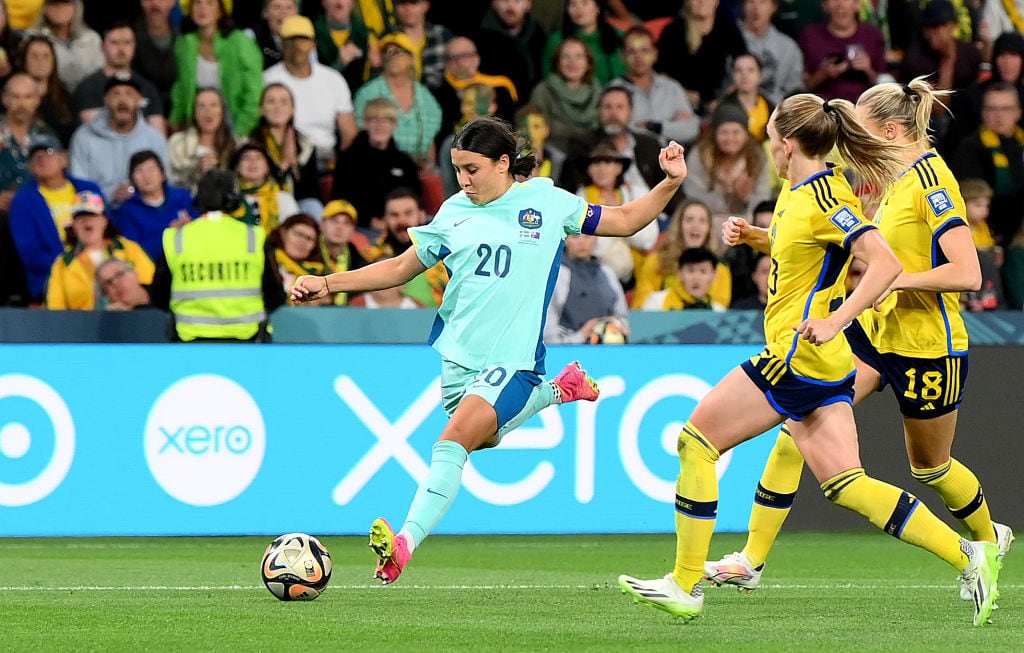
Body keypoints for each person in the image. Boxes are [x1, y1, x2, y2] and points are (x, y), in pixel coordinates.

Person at [617, 92, 1002, 627]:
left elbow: (884, 263)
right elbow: (811, 249)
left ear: (788, 142)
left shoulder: (824, 196)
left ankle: (685, 583)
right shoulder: (810, 190)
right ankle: (968, 554)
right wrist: (759, 239)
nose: (767, 144)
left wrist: (836, 318)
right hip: (827, 361)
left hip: (799, 355)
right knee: (847, 484)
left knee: (696, 442)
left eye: (771, 135)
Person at [291, 115, 688, 584]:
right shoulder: (454, 211)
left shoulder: (544, 200)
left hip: (513, 361)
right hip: (460, 357)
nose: (463, 180)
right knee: (487, 437)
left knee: (451, 443)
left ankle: (403, 544)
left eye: (472, 169)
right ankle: (560, 390)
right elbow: (401, 268)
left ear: (503, 163)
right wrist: (328, 283)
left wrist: (669, 182)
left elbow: (623, 220)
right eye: (457, 169)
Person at [705, 77, 1016, 599]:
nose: (852, 145)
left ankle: (988, 543)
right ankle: (751, 560)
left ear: (892, 131)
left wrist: (894, 280)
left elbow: (968, 274)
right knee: (796, 422)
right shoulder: (889, 178)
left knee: (930, 467)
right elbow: (852, 250)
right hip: (873, 334)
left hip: (928, 346)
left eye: (862, 134)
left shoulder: (934, 184)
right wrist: (765, 238)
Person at [149, 168, 287, 342]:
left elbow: (158, 295)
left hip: (189, 342)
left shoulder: (176, 238)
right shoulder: (253, 236)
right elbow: (276, 294)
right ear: (235, 197)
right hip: (248, 340)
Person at [8, 135, 102, 304]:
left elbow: (108, 228)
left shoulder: (88, 189)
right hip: (51, 276)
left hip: (100, 264)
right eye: (35, 156)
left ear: (63, 159)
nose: (41, 158)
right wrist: (72, 265)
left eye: (48, 152)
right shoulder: (23, 202)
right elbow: (31, 255)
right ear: (29, 166)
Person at [263, 14, 358, 171]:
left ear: (313, 44)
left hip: (327, 160)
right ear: (281, 44)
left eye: (303, 40)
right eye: (291, 40)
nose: (297, 45)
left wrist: (343, 167)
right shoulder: (268, 80)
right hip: (284, 160)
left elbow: (349, 133)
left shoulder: (333, 79)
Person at [68, 72, 170, 204]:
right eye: (115, 94)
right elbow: (78, 186)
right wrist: (111, 195)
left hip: (144, 213)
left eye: (129, 94)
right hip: (99, 214)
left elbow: (165, 184)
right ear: (105, 100)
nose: (123, 101)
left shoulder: (154, 139)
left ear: (139, 100)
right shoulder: (83, 137)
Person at [46, 190, 154, 310]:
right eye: (80, 217)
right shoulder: (62, 264)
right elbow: (55, 308)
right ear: (73, 226)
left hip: (137, 317)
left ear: (104, 221)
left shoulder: (128, 248)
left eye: (92, 215)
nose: (86, 220)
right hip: (84, 326)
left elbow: (150, 284)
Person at [170, 0, 263, 136]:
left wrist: (240, 132)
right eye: (198, 3)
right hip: (198, 122)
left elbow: (254, 91)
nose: (203, 8)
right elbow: (181, 87)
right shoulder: (184, 43)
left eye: (210, 3)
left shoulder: (240, 41)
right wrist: (174, 121)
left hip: (236, 121)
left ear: (220, 11)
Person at [352, 30, 442, 170]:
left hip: (419, 170)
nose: (393, 56)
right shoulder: (367, 93)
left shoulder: (426, 98)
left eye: (399, 51)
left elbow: (430, 142)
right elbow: (360, 136)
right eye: (387, 52)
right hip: (376, 166)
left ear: (412, 57)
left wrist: (428, 168)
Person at [332, 96, 421, 235]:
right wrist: (369, 220)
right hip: (364, 226)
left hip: (402, 224)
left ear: (394, 124)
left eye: (387, 120)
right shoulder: (349, 158)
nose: (380, 125)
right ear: (365, 123)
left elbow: (416, 196)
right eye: (374, 119)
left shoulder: (404, 161)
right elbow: (341, 199)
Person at [951, 82, 1024, 247]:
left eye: (1005, 109)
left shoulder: (1020, 143)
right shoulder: (970, 147)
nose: (998, 115)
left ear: (1018, 112)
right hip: (988, 232)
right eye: (991, 109)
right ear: (983, 112)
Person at [607, 25, 699, 147]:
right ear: (623, 56)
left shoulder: (672, 88)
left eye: (644, 51)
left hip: (671, 160)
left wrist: (654, 127)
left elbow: (692, 130)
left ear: (655, 54)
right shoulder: (613, 91)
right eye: (632, 52)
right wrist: (673, 126)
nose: (638, 57)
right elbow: (613, 130)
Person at [632, 198, 732, 309]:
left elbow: (719, 312)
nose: (696, 226)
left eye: (702, 221)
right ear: (679, 226)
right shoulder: (656, 262)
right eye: (689, 220)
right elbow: (641, 307)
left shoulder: (720, 269)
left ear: (709, 229)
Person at [654, 0, 748, 115]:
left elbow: (745, 63)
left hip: (719, 103)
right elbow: (659, 74)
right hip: (679, 104)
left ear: (717, 2)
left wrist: (724, 100)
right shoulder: (673, 31)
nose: (702, 2)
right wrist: (682, 94)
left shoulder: (727, 26)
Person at [72, 21, 166, 134]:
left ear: (135, 46)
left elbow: (158, 135)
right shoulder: (88, 88)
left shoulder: (148, 88)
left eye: (127, 43)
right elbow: (95, 133)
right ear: (102, 47)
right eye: (114, 43)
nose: (121, 49)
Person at [681, 102, 772, 218]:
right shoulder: (699, 155)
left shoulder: (757, 157)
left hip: (746, 220)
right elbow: (693, 197)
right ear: (714, 134)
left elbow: (762, 199)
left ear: (746, 135)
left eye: (736, 132)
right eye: (724, 132)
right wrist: (725, 194)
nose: (730, 139)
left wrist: (744, 199)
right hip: (708, 220)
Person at [249, 82, 323, 219]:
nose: (278, 107)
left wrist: (295, 166)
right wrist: (283, 165)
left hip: (297, 202)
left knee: (314, 207)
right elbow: (254, 184)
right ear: (261, 109)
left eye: (284, 102)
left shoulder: (305, 144)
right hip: (261, 201)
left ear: (293, 109)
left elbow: (311, 191)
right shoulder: (251, 144)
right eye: (271, 102)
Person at [544, 232, 629, 344]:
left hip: (606, 349)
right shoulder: (556, 275)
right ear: (566, 240)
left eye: (587, 236)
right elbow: (548, 328)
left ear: (596, 239)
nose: (582, 242)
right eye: (575, 236)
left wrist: (613, 328)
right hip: (567, 352)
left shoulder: (607, 273)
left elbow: (621, 316)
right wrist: (581, 336)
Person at [113, 149, 195, 262]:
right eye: (139, 171)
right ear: (132, 180)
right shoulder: (128, 210)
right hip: (153, 269)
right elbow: (133, 252)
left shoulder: (183, 197)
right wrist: (169, 233)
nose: (146, 176)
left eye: (151, 169)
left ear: (162, 175)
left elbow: (201, 225)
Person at [799, 0, 886, 103]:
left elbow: (885, 86)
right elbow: (802, 89)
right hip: (823, 108)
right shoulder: (810, 36)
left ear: (857, 5)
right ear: (825, 5)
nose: (840, 5)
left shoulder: (873, 34)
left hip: (863, 107)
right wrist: (822, 74)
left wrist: (868, 70)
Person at [527, 36, 601, 154]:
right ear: (557, 62)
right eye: (566, 57)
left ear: (588, 63)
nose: (572, 63)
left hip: (592, 156)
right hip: (553, 156)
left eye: (579, 57)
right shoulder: (543, 91)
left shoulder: (599, 93)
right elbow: (534, 133)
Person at [0, 73, 60, 213]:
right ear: (4, 99)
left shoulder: (47, 135)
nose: (21, 104)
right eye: (15, 97)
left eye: (28, 97)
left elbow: (58, 179)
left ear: (37, 100)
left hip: (37, 210)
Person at [167, 87, 236, 193]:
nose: (208, 111)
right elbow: (171, 185)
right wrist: (196, 171)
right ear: (194, 113)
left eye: (213, 105)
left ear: (222, 111)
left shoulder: (235, 145)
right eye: (201, 106)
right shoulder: (177, 143)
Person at [542, 0, 625, 86]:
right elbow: (548, 77)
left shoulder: (619, 36)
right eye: (572, 4)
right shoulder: (556, 40)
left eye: (585, 3)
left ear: (597, 8)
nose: (578, 9)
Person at [15, 33, 78, 146]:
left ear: (53, 61)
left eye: (46, 56)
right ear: (24, 61)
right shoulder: (11, 96)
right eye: (34, 56)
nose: (40, 61)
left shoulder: (66, 99)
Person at [738, 0, 804, 106]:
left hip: (776, 112)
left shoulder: (788, 47)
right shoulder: (726, 42)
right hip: (735, 110)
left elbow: (795, 89)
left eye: (762, 2)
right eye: (751, 2)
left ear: (774, 7)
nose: (756, 8)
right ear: (743, 5)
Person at [29, 0, 102, 92]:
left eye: (66, 3)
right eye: (54, 3)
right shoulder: (32, 38)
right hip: (48, 96)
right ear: (45, 8)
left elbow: (101, 71)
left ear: (77, 8)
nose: (60, 8)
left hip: (89, 95)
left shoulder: (92, 38)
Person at [233, 141, 300, 234]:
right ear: (237, 168)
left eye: (258, 157)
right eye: (246, 158)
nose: (252, 162)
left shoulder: (283, 199)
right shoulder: (229, 198)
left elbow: (293, 232)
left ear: (267, 167)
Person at [267, 212, 329, 304]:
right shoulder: (267, 261)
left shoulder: (319, 275)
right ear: (283, 233)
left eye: (309, 238)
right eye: (298, 234)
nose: (302, 241)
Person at [318, 198, 371, 305]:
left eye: (346, 223)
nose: (339, 227)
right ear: (322, 225)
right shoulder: (308, 254)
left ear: (353, 230)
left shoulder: (361, 265)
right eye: (334, 221)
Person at [132, 0, 179, 119]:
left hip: (179, 116)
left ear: (173, 2)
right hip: (140, 115)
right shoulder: (130, 38)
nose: (155, 4)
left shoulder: (184, 38)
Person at [640, 246, 725, 310]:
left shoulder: (718, 311)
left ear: (714, 276)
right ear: (679, 273)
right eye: (691, 271)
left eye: (703, 271)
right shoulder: (657, 302)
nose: (696, 277)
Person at [314, 0, 371, 94]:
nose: (339, 2)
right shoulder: (311, 35)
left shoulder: (364, 34)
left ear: (353, 3)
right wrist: (338, 65)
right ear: (323, 2)